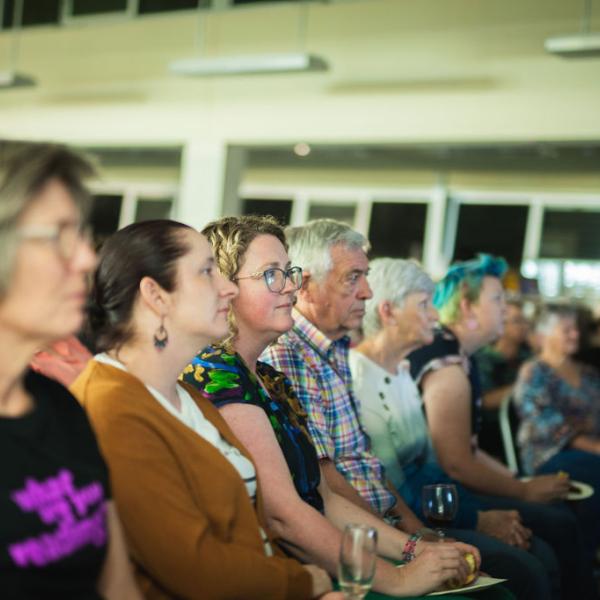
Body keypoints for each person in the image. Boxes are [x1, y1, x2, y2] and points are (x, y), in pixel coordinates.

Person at [183, 216, 480, 598]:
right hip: (272, 572)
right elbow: (284, 516)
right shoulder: (215, 374)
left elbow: (326, 498)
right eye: (271, 274)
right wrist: (399, 578)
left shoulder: (271, 378)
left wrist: (414, 548)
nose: (292, 286)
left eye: (288, 271)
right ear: (225, 290)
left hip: (314, 560)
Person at [72, 220, 336, 600]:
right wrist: (309, 582)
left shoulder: (187, 396)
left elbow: (251, 534)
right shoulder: (112, 406)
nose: (228, 288)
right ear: (156, 296)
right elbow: (194, 567)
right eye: (208, 272)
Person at [350, 258, 558, 598]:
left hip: (427, 511)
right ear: (388, 312)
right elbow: (387, 489)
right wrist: (478, 520)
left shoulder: (401, 369)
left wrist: (481, 511)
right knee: (525, 567)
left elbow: (432, 467)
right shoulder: (357, 376)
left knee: (534, 554)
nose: (435, 315)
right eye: (424, 305)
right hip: (396, 527)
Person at [406, 254, 595, 600]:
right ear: (467, 307)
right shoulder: (447, 365)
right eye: (497, 300)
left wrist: (518, 481)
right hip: (431, 498)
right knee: (557, 525)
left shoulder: (458, 354)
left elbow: (469, 452)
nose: (507, 311)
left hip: (442, 488)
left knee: (558, 517)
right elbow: (456, 463)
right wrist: (521, 490)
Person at [0, 143, 141, 599]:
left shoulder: (60, 405)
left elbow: (118, 588)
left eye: (80, 235)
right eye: (57, 235)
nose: (85, 259)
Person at [514, 304, 600, 562]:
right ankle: (584, 560)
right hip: (548, 456)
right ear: (544, 335)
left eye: (576, 329)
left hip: (590, 451)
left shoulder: (589, 373)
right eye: (566, 330)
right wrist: (594, 445)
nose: (575, 334)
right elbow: (545, 424)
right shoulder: (534, 372)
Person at [475, 299, 532, 460]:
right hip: (495, 433)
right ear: (501, 323)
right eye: (517, 321)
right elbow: (484, 401)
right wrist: (525, 385)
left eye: (524, 320)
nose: (523, 326)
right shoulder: (483, 358)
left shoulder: (527, 357)